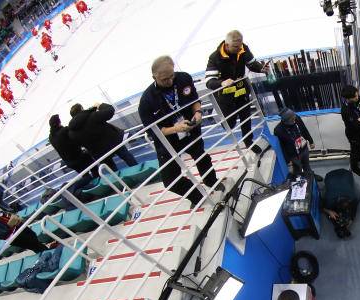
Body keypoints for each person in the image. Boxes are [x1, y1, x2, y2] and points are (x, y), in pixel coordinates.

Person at [138, 55, 218, 208]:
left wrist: (198, 113)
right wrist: (175, 129)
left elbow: (194, 99)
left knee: (201, 156)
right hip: (168, 140)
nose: (170, 81)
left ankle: (211, 182)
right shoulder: (146, 101)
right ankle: (197, 196)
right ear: (154, 77)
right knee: (170, 180)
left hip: (190, 129)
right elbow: (153, 132)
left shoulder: (184, 79)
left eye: (171, 76)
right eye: (164, 80)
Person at [204, 30, 269, 147]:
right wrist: (222, 83)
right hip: (225, 95)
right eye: (235, 47)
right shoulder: (215, 57)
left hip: (241, 90)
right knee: (230, 122)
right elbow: (209, 81)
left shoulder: (243, 48)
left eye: (240, 46)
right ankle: (224, 122)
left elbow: (252, 63)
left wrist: (261, 68)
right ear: (227, 45)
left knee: (246, 116)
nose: (239, 49)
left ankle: (249, 142)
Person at [68, 103, 137, 172]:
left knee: (112, 170)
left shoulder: (72, 131)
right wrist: (100, 106)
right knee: (127, 157)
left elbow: (78, 143)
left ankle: (120, 181)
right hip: (113, 143)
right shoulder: (92, 116)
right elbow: (110, 111)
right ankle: (138, 171)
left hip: (98, 152)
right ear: (82, 109)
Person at [48, 114, 95, 194]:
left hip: (69, 162)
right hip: (78, 157)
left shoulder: (51, 137)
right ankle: (75, 187)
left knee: (85, 174)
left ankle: (88, 188)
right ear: (59, 122)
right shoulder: (64, 131)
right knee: (93, 166)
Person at [273, 108, 316, 181]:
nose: (294, 121)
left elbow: (304, 129)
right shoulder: (278, 130)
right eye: (292, 120)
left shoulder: (297, 118)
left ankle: (311, 179)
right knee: (297, 170)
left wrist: (311, 141)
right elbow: (282, 146)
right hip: (293, 155)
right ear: (285, 121)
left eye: (294, 118)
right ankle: (301, 184)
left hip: (304, 148)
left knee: (307, 166)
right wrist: (287, 160)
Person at [340, 85, 360, 177]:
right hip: (353, 133)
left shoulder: (357, 98)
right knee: (354, 150)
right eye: (355, 97)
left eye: (357, 95)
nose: (357, 98)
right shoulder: (345, 111)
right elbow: (354, 125)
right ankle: (354, 167)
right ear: (348, 99)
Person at [321, 168, 360, 238]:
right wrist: (329, 211)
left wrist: (351, 220)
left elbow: (355, 205)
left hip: (346, 173)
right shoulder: (329, 199)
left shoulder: (352, 196)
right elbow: (319, 206)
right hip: (331, 175)